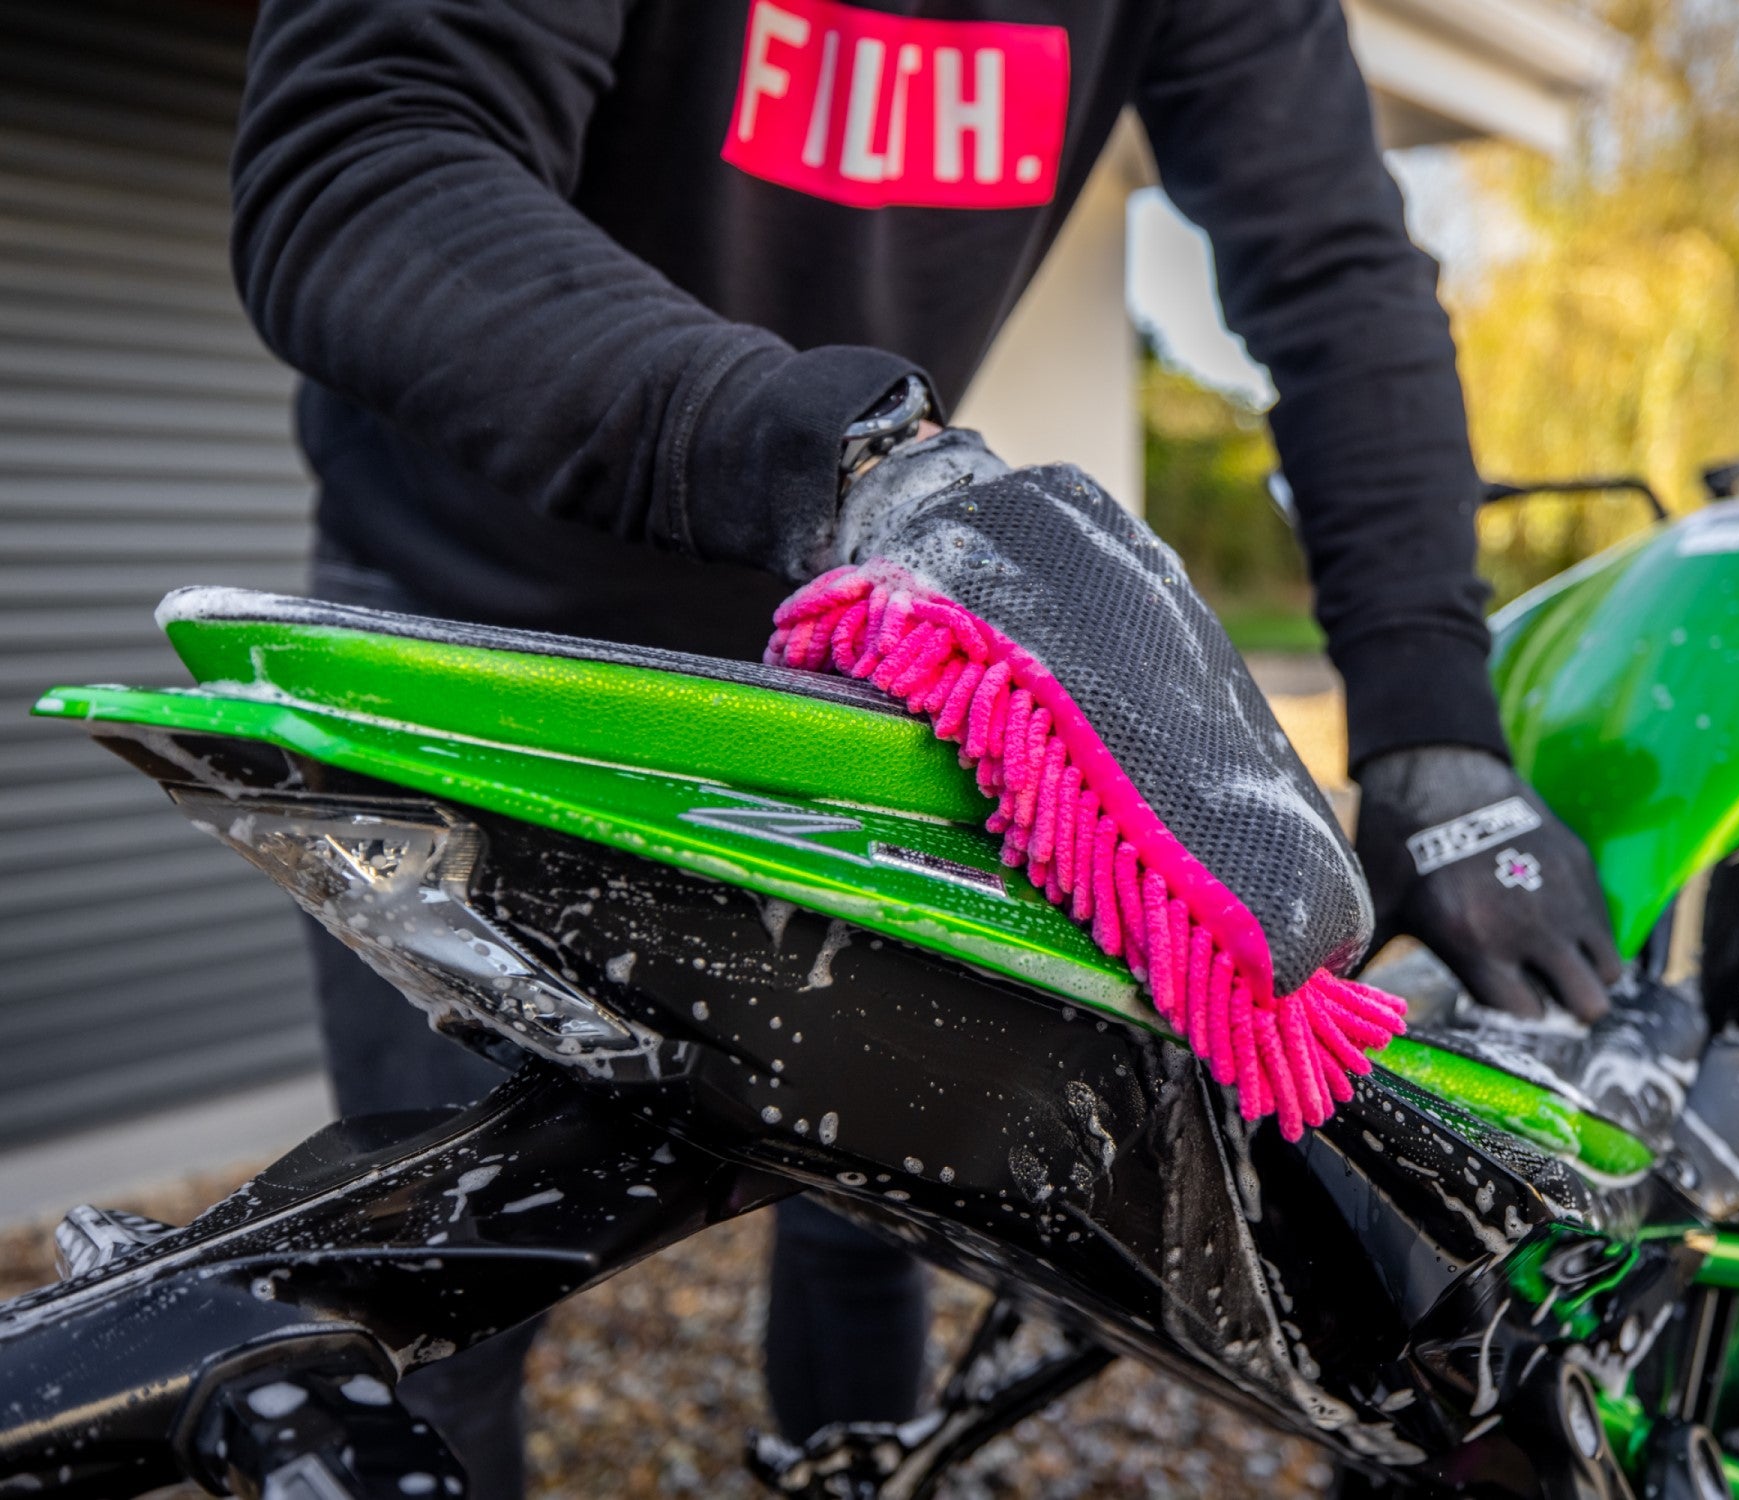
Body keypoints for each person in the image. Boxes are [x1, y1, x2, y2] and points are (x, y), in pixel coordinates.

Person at [231, 0, 1621, 1491]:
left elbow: (1334, 273)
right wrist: (843, 459)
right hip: (466, 626)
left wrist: (1432, 734)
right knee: (445, 1267)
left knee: (872, 1205)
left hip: (826, 635)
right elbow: (363, 155)